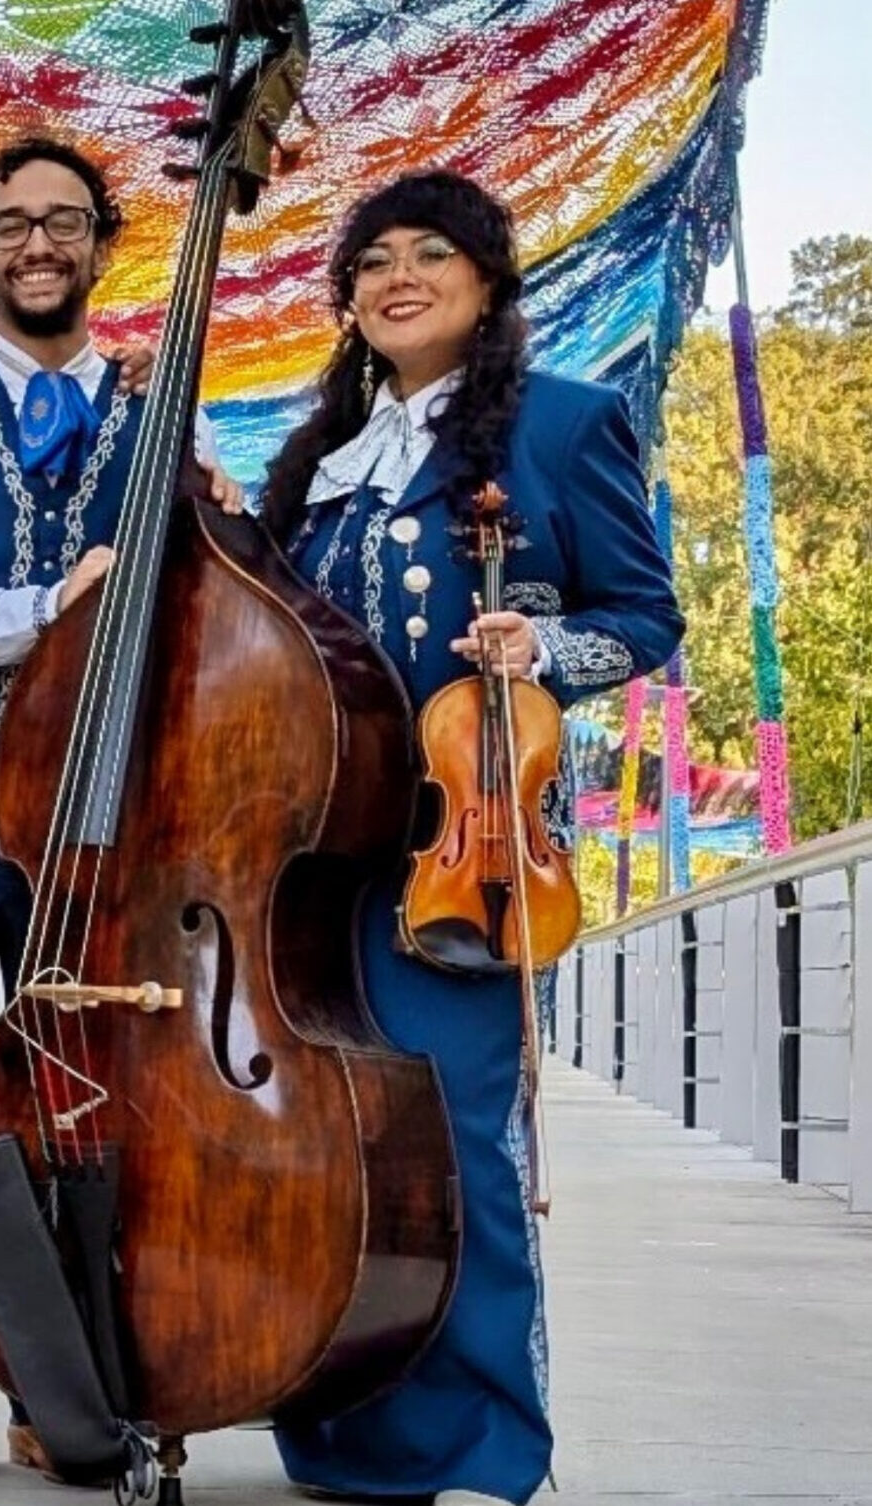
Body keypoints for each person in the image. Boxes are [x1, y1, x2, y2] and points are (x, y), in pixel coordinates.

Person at [257, 169, 683, 1506]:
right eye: (374, 260)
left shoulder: (563, 422)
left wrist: (540, 647)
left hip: (465, 851)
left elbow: (645, 617)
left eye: (430, 254)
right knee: (337, 1152)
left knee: (459, 1149)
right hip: (313, 865)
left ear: (488, 280)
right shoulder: (321, 452)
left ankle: (491, 1447)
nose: (399, 278)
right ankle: (349, 1438)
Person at [0, 134, 230, 1486]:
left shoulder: (167, 418)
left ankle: (60, 1383)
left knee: (102, 1093)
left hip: (112, 807)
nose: (37, 244)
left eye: (64, 221)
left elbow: (211, 609)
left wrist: (216, 527)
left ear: (102, 247)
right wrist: (47, 609)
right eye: (10, 223)